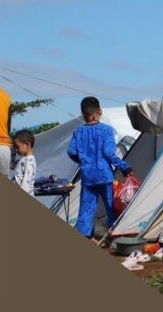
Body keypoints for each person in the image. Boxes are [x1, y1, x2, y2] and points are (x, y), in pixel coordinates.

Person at [68, 96, 132, 239]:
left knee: (86, 208)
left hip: (87, 176)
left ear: (82, 113)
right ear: (99, 111)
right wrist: (124, 167)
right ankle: (114, 234)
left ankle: (83, 234)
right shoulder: (106, 130)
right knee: (110, 206)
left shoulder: (78, 132)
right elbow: (108, 154)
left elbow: (71, 152)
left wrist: (83, 161)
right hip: (104, 175)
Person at [10, 129, 37, 196]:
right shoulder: (23, 160)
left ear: (27, 145)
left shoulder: (30, 162)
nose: (16, 150)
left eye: (17, 146)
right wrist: (12, 151)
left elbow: (26, 181)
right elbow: (11, 165)